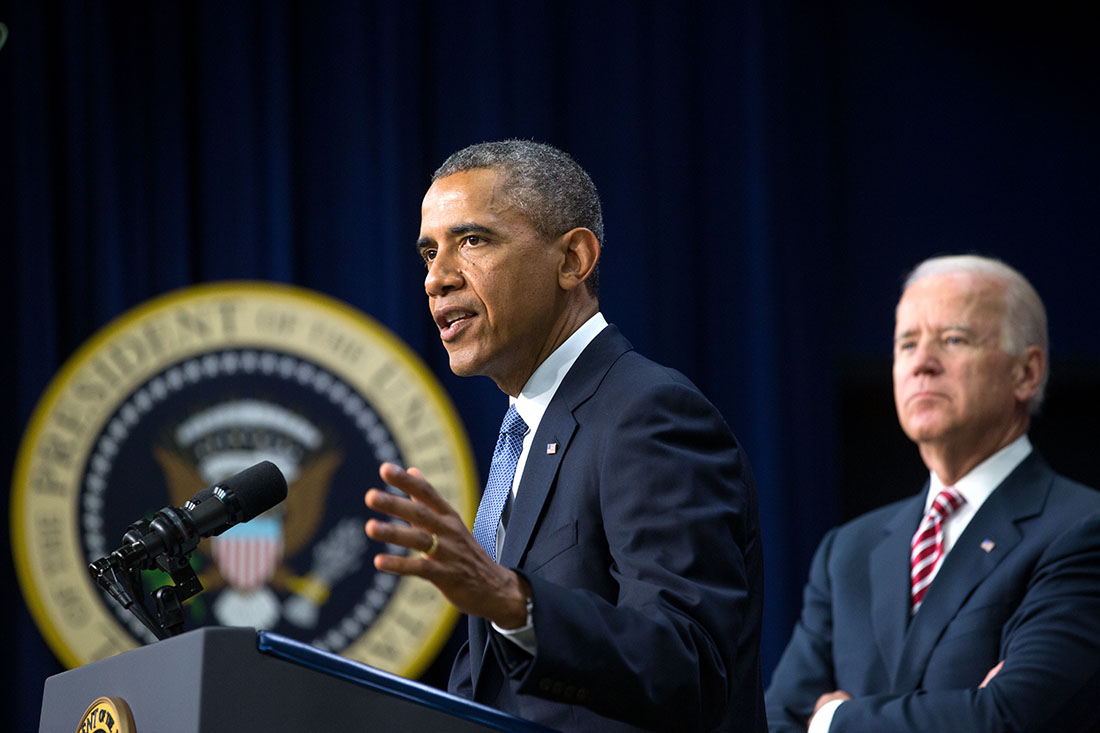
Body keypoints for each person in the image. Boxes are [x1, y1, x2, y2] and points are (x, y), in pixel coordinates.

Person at [362, 140, 767, 731]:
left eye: (472, 241)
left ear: (573, 259)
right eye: (429, 252)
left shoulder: (647, 412)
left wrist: (514, 602)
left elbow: (691, 664)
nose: (437, 280)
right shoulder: (524, 431)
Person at [765, 254, 1100, 731]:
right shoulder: (847, 553)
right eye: (906, 343)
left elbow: (1007, 718)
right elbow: (776, 721)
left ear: (1026, 373)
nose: (922, 364)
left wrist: (832, 721)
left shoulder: (1081, 531)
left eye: (953, 340)